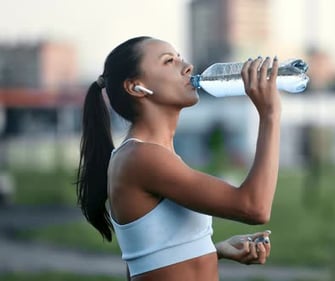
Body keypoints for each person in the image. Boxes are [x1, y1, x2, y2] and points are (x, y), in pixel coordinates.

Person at [75, 36, 281, 281]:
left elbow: (143, 262)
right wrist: (270, 114)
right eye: (169, 61)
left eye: (180, 57)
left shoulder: (152, 155)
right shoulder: (142, 157)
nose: (187, 66)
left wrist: (212, 251)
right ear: (135, 86)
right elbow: (254, 207)